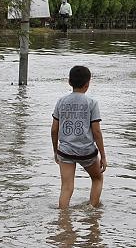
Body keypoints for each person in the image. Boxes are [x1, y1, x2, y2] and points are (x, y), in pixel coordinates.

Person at [51, 65, 107, 209]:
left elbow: (54, 129)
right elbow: (96, 132)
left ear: (69, 82)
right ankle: (92, 212)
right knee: (97, 178)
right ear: (88, 84)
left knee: (66, 187)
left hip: (65, 151)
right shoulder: (92, 103)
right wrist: (103, 156)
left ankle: (63, 220)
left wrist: (55, 151)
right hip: (86, 151)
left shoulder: (61, 102)